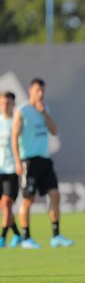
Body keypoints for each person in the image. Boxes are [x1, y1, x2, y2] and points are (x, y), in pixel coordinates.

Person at [11, 78, 74, 249]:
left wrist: (44, 113)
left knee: (55, 195)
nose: (41, 93)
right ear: (30, 90)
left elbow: (54, 131)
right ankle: (26, 238)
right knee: (28, 200)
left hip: (45, 160)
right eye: (38, 90)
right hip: (29, 162)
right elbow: (14, 137)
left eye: (43, 90)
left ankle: (56, 235)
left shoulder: (44, 109)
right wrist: (17, 161)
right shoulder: (22, 111)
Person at [0, 91, 22, 248]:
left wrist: (19, 162)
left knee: (7, 202)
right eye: (2, 103)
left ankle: (2, 237)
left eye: (8, 103)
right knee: (4, 205)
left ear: (13, 104)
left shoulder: (18, 121)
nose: (4, 106)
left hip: (12, 169)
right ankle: (17, 234)